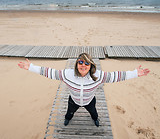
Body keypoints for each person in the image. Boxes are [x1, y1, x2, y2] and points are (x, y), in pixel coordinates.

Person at [18, 53, 150, 127]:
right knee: (69, 113)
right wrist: (31, 67)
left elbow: (116, 76)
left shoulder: (98, 76)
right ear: (76, 64)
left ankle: (95, 119)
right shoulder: (67, 74)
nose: (83, 65)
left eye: (87, 63)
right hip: (73, 101)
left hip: (89, 101)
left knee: (94, 113)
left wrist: (135, 73)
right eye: (80, 62)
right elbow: (48, 72)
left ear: (91, 65)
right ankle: (68, 119)